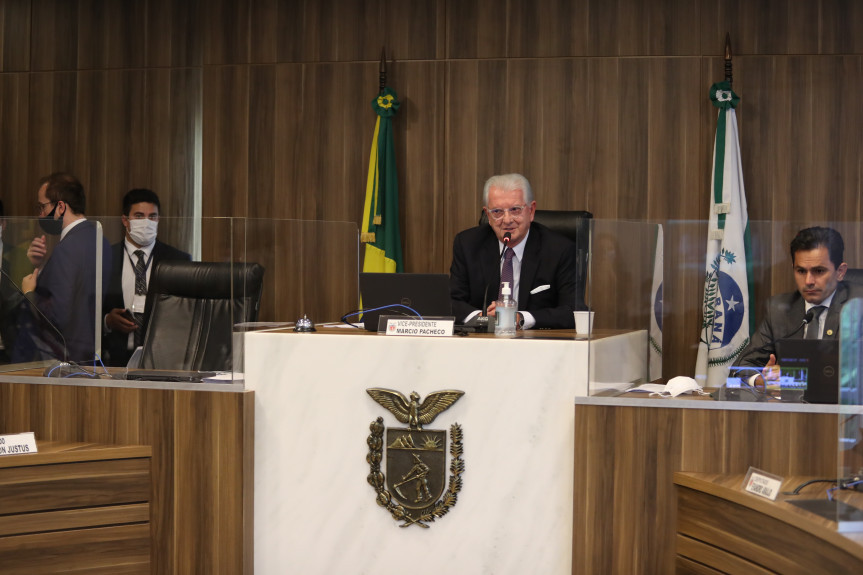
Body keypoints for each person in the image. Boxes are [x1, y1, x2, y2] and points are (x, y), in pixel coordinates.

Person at [449, 173, 578, 330]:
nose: (507, 220)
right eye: (497, 212)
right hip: (481, 343)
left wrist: (520, 318)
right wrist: (483, 319)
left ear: (531, 211)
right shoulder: (468, 244)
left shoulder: (559, 249)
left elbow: (573, 311)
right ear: (487, 215)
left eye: (515, 210)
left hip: (536, 346)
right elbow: (451, 301)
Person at [736, 226, 863, 375]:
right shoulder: (780, 310)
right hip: (792, 398)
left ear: (840, 272)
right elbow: (741, 366)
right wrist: (761, 379)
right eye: (801, 271)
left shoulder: (857, 306)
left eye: (819, 271)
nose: (808, 281)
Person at [20, 172, 112, 363]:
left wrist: (30, 293)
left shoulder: (67, 248)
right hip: (88, 356)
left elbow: (58, 316)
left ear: (60, 206)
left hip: (62, 358)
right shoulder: (99, 240)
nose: (40, 214)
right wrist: (43, 268)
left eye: (42, 206)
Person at [103, 188, 191, 367]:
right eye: (139, 216)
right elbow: (88, 310)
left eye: (152, 217)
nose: (146, 222)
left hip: (163, 360)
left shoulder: (178, 260)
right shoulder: (104, 257)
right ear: (125, 221)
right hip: (115, 359)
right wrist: (107, 321)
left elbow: (185, 313)